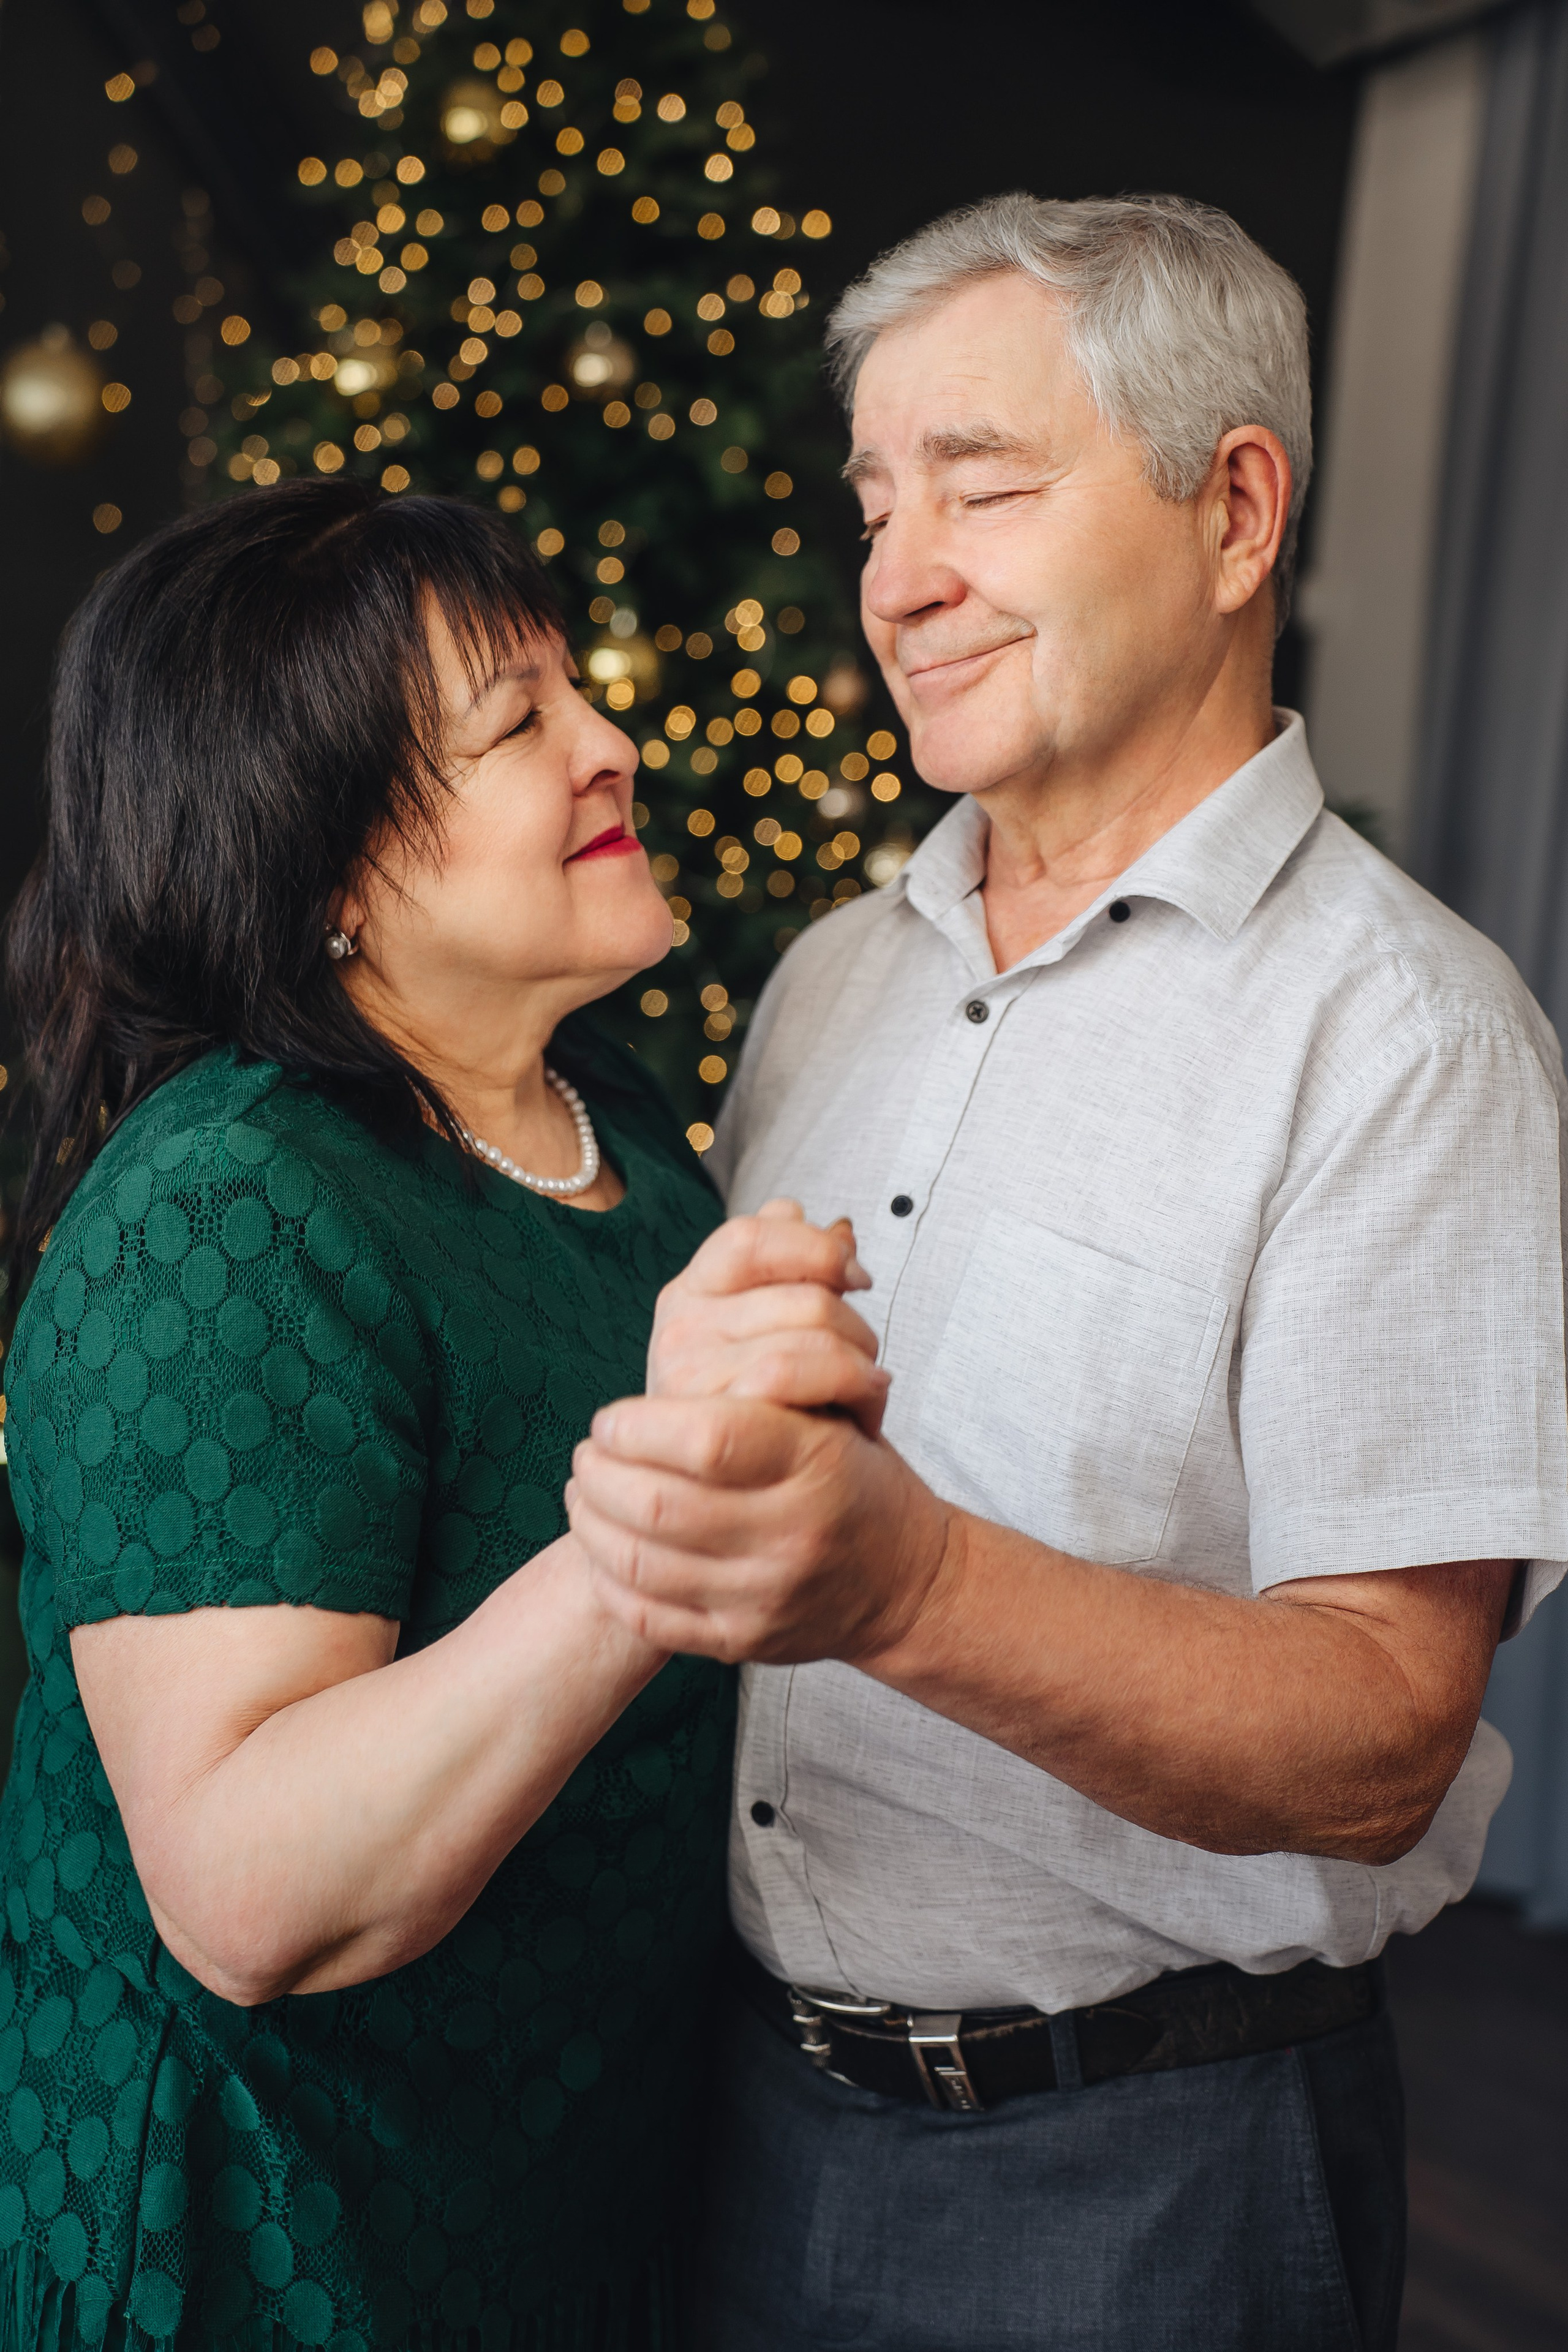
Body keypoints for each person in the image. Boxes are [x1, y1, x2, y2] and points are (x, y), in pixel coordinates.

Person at [563, 195, 1568, 2352]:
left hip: (1150, 2182)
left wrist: (905, 1586)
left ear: (1234, 511)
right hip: (731, 2104)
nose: (897, 575)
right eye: (873, 501)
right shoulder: (832, 978)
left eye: (984, 488)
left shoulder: (1408, 1037)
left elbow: (1387, 1730)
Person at [0, 480, 749, 2351]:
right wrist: (669, 1515)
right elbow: (253, 1895)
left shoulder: (625, 1135)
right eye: (520, 725)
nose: (612, 743)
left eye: (578, 689)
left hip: (558, 2203)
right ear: (324, 866)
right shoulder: (233, 1214)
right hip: (278, 2260)